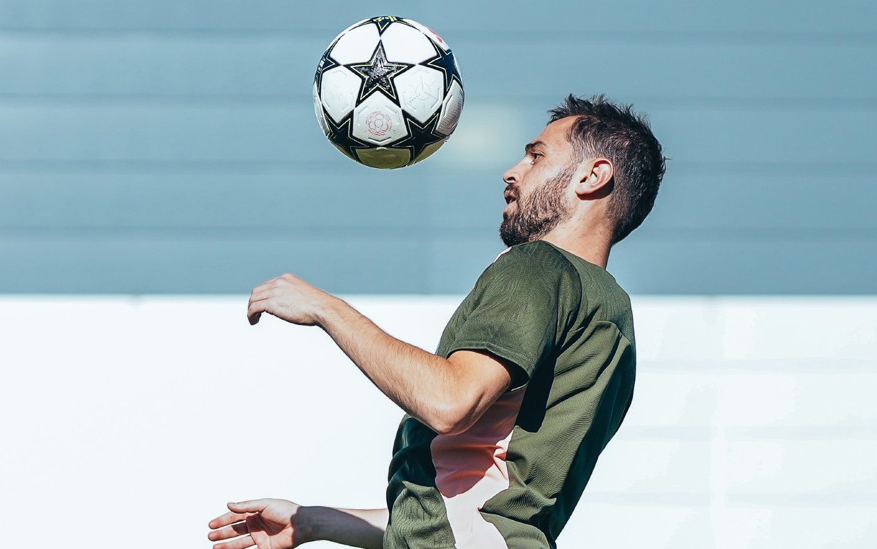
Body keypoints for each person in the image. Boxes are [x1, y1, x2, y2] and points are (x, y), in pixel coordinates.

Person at [208, 94, 666, 549]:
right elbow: (465, 510)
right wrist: (313, 522)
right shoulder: (612, 313)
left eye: (536, 156)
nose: (512, 171)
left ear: (593, 176)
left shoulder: (538, 267)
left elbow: (449, 403)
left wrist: (327, 309)